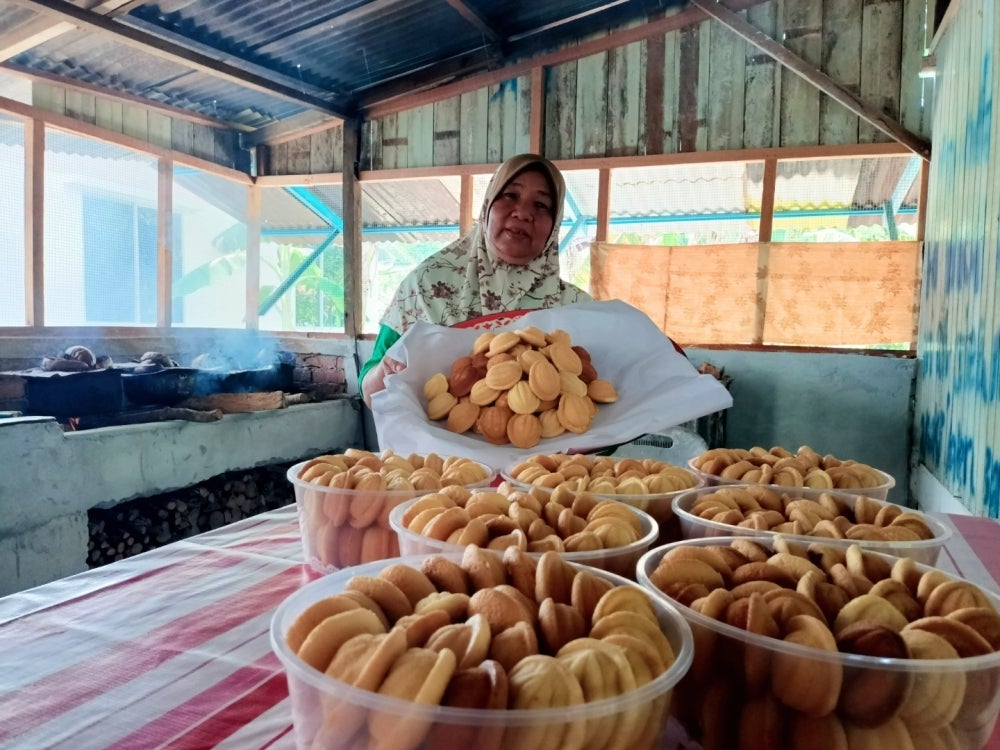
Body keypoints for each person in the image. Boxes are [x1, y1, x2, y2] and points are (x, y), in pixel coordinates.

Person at [360, 153, 592, 406]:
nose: (524, 213)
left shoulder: (576, 309)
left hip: (544, 447)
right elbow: (371, 393)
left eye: (541, 205)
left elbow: (600, 419)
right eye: (510, 195)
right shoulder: (425, 285)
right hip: (434, 446)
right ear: (488, 206)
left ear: (555, 224)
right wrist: (386, 372)